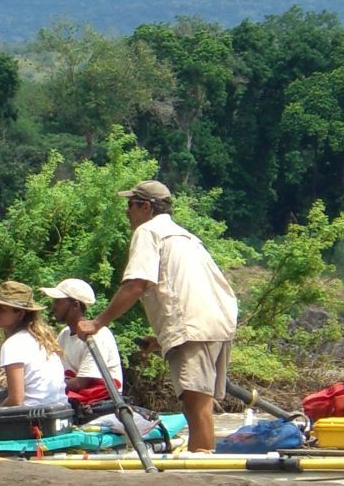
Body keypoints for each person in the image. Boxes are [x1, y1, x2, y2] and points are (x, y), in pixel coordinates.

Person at [75, 179, 238, 452]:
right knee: (201, 405)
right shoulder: (186, 237)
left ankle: (202, 474)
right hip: (215, 324)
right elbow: (191, 292)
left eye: (130, 205)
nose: (127, 211)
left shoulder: (148, 232)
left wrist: (97, 323)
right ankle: (203, 463)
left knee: (196, 407)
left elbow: (136, 285)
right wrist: (162, 339)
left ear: (146, 207)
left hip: (193, 328)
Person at [0, 280, 67, 408]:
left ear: (20, 313)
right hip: (60, 410)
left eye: (2, 309)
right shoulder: (43, 340)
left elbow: (16, 400)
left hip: (32, 418)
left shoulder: (13, 344)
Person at [41, 277, 123, 408]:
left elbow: (82, 383)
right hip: (74, 397)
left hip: (99, 402)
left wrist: (43, 387)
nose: (53, 307)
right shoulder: (64, 334)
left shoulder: (98, 335)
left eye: (58, 301)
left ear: (75, 305)